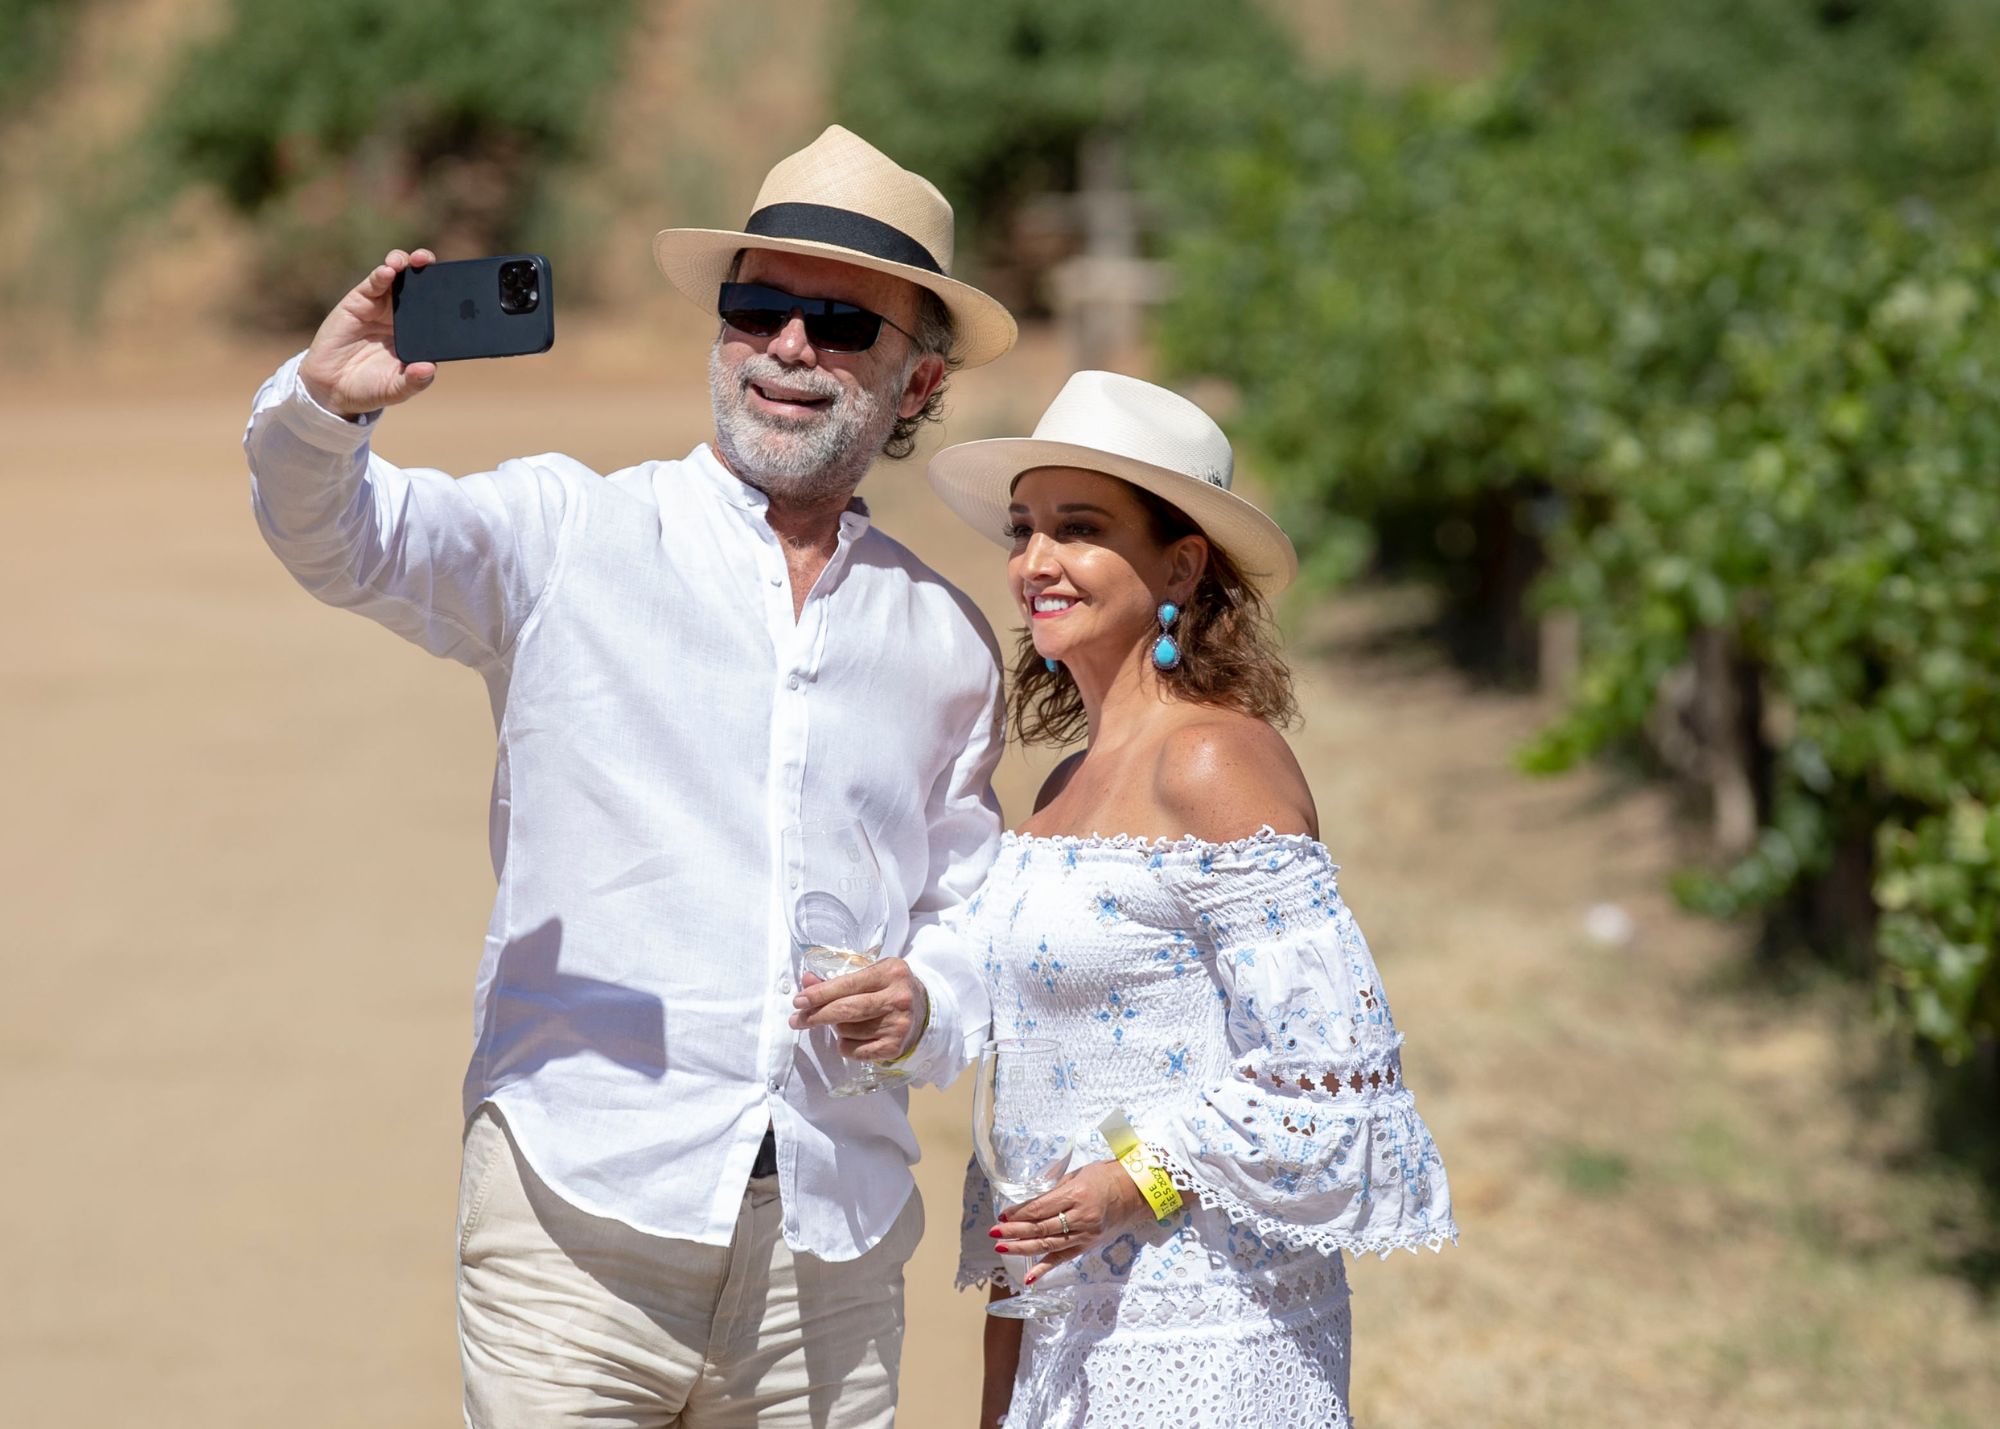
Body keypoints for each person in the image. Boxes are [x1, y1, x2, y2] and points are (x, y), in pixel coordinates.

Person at [241, 126, 1017, 1428]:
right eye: (756, 308)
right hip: (576, 1223)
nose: (787, 348)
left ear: (918, 381)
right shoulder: (569, 532)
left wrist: (928, 995)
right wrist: (326, 409)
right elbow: (344, 538)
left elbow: (970, 915)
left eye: (840, 324)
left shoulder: (943, 641)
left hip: (825, 1256)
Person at [928, 372, 1458, 1428]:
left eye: (1080, 529)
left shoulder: (1215, 760)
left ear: (1179, 564)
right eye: (1025, 528)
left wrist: (1136, 1183)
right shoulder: (1058, 788)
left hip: (1210, 1339)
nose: (1035, 560)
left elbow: (1330, 1077)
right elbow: (1031, 1115)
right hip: (1064, 1341)